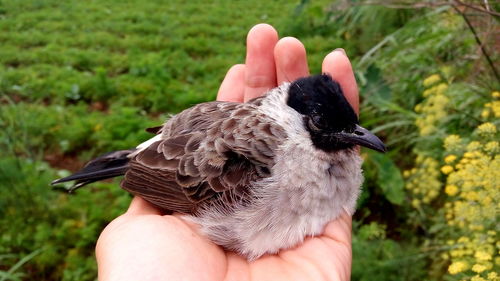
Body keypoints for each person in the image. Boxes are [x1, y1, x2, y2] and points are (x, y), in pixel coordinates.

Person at [96, 23, 358, 281]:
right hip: (178, 157)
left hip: (190, 148)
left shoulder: (327, 153)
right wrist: (133, 165)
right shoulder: (265, 164)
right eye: (321, 124)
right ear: (296, 117)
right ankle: (120, 161)